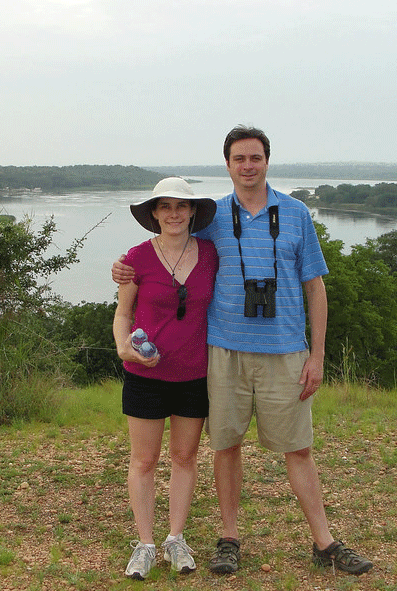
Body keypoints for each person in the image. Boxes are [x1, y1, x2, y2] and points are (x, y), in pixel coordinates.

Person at [112, 126, 373, 576]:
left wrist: (318, 355)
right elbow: (164, 251)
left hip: (285, 350)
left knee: (298, 448)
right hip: (224, 353)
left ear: (267, 161)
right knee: (225, 446)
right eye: (239, 159)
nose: (247, 166)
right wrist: (122, 269)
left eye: (255, 157)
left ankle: (324, 542)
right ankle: (229, 538)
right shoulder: (211, 218)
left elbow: (316, 286)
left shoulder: (295, 215)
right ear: (228, 165)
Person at [113, 176, 219, 580]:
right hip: (145, 375)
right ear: (154, 213)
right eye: (165, 206)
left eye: (181, 206)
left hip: (194, 374)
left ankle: (176, 537)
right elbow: (123, 314)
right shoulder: (137, 257)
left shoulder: (210, 253)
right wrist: (123, 346)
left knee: (184, 458)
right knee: (143, 461)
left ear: (193, 211)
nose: (173, 213)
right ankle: (145, 543)